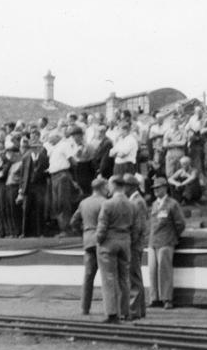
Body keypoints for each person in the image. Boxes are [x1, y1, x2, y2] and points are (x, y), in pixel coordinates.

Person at [95, 175, 140, 323]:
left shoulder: (107, 204)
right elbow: (136, 228)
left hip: (108, 243)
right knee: (124, 279)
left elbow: (102, 226)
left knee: (109, 278)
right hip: (125, 242)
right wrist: (129, 240)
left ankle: (112, 313)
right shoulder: (132, 204)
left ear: (113, 185)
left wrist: (99, 240)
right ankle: (125, 312)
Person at [71, 177, 109, 315]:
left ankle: (84, 308)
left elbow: (74, 222)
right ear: (102, 188)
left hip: (88, 241)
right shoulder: (105, 202)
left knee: (88, 277)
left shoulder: (84, 203)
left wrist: (84, 233)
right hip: (102, 242)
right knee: (107, 276)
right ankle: (109, 308)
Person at [148, 177, 185, 310]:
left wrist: (173, 236)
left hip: (166, 240)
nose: (155, 191)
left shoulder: (172, 204)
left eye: (158, 188)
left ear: (165, 188)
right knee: (152, 270)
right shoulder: (154, 204)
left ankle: (167, 298)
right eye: (154, 189)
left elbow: (180, 223)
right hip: (153, 241)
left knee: (164, 270)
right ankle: (154, 298)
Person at [48, 126, 83, 237]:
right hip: (54, 176)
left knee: (63, 203)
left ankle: (66, 229)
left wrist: (73, 178)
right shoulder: (55, 148)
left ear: (57, 137)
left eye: (51, 137)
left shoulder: (64, 145)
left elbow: (72, 161)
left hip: (62, 175)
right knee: (57, 203)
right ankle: (62, 228)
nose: (49, 140)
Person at [125, 174, 148, 320]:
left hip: (134, 244)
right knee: (135, 276)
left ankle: (134, 310)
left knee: (133, 277)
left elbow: (138, 226)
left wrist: (130, 242)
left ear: (131, 186)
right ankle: (140, 310)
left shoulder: (137, 202)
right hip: (136, 243)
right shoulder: (135, 200)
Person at [18, 135, 50, 237]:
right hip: (28, 187)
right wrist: (21, 189)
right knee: (26, 210)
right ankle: (25, 232)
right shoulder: (26, 157)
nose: (35, 149)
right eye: (33, 147)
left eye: (37, 147)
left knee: (40, 209)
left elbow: (46, 172)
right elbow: (22, 174)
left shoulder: (44, 157)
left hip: (40, 187)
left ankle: (40, 232)